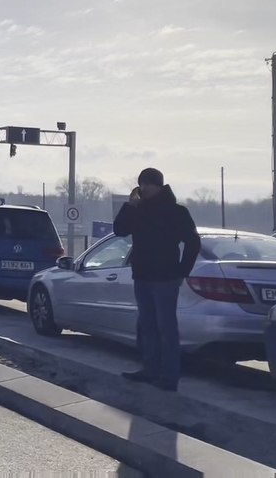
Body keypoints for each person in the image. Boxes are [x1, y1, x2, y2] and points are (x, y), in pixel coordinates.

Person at [113, 168, 201, 392]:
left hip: (166, 277)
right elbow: (119, 230)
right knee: (147, 326)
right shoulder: (138, 210)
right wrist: (128, 206)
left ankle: (170, 376)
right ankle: (150, 370)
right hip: (142, 275)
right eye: (141, 184)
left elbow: (193, 242)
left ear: (159, 185)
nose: (144, 188)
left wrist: (183, 271)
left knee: (166, 327)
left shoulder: (176, 211)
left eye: (148, 184)